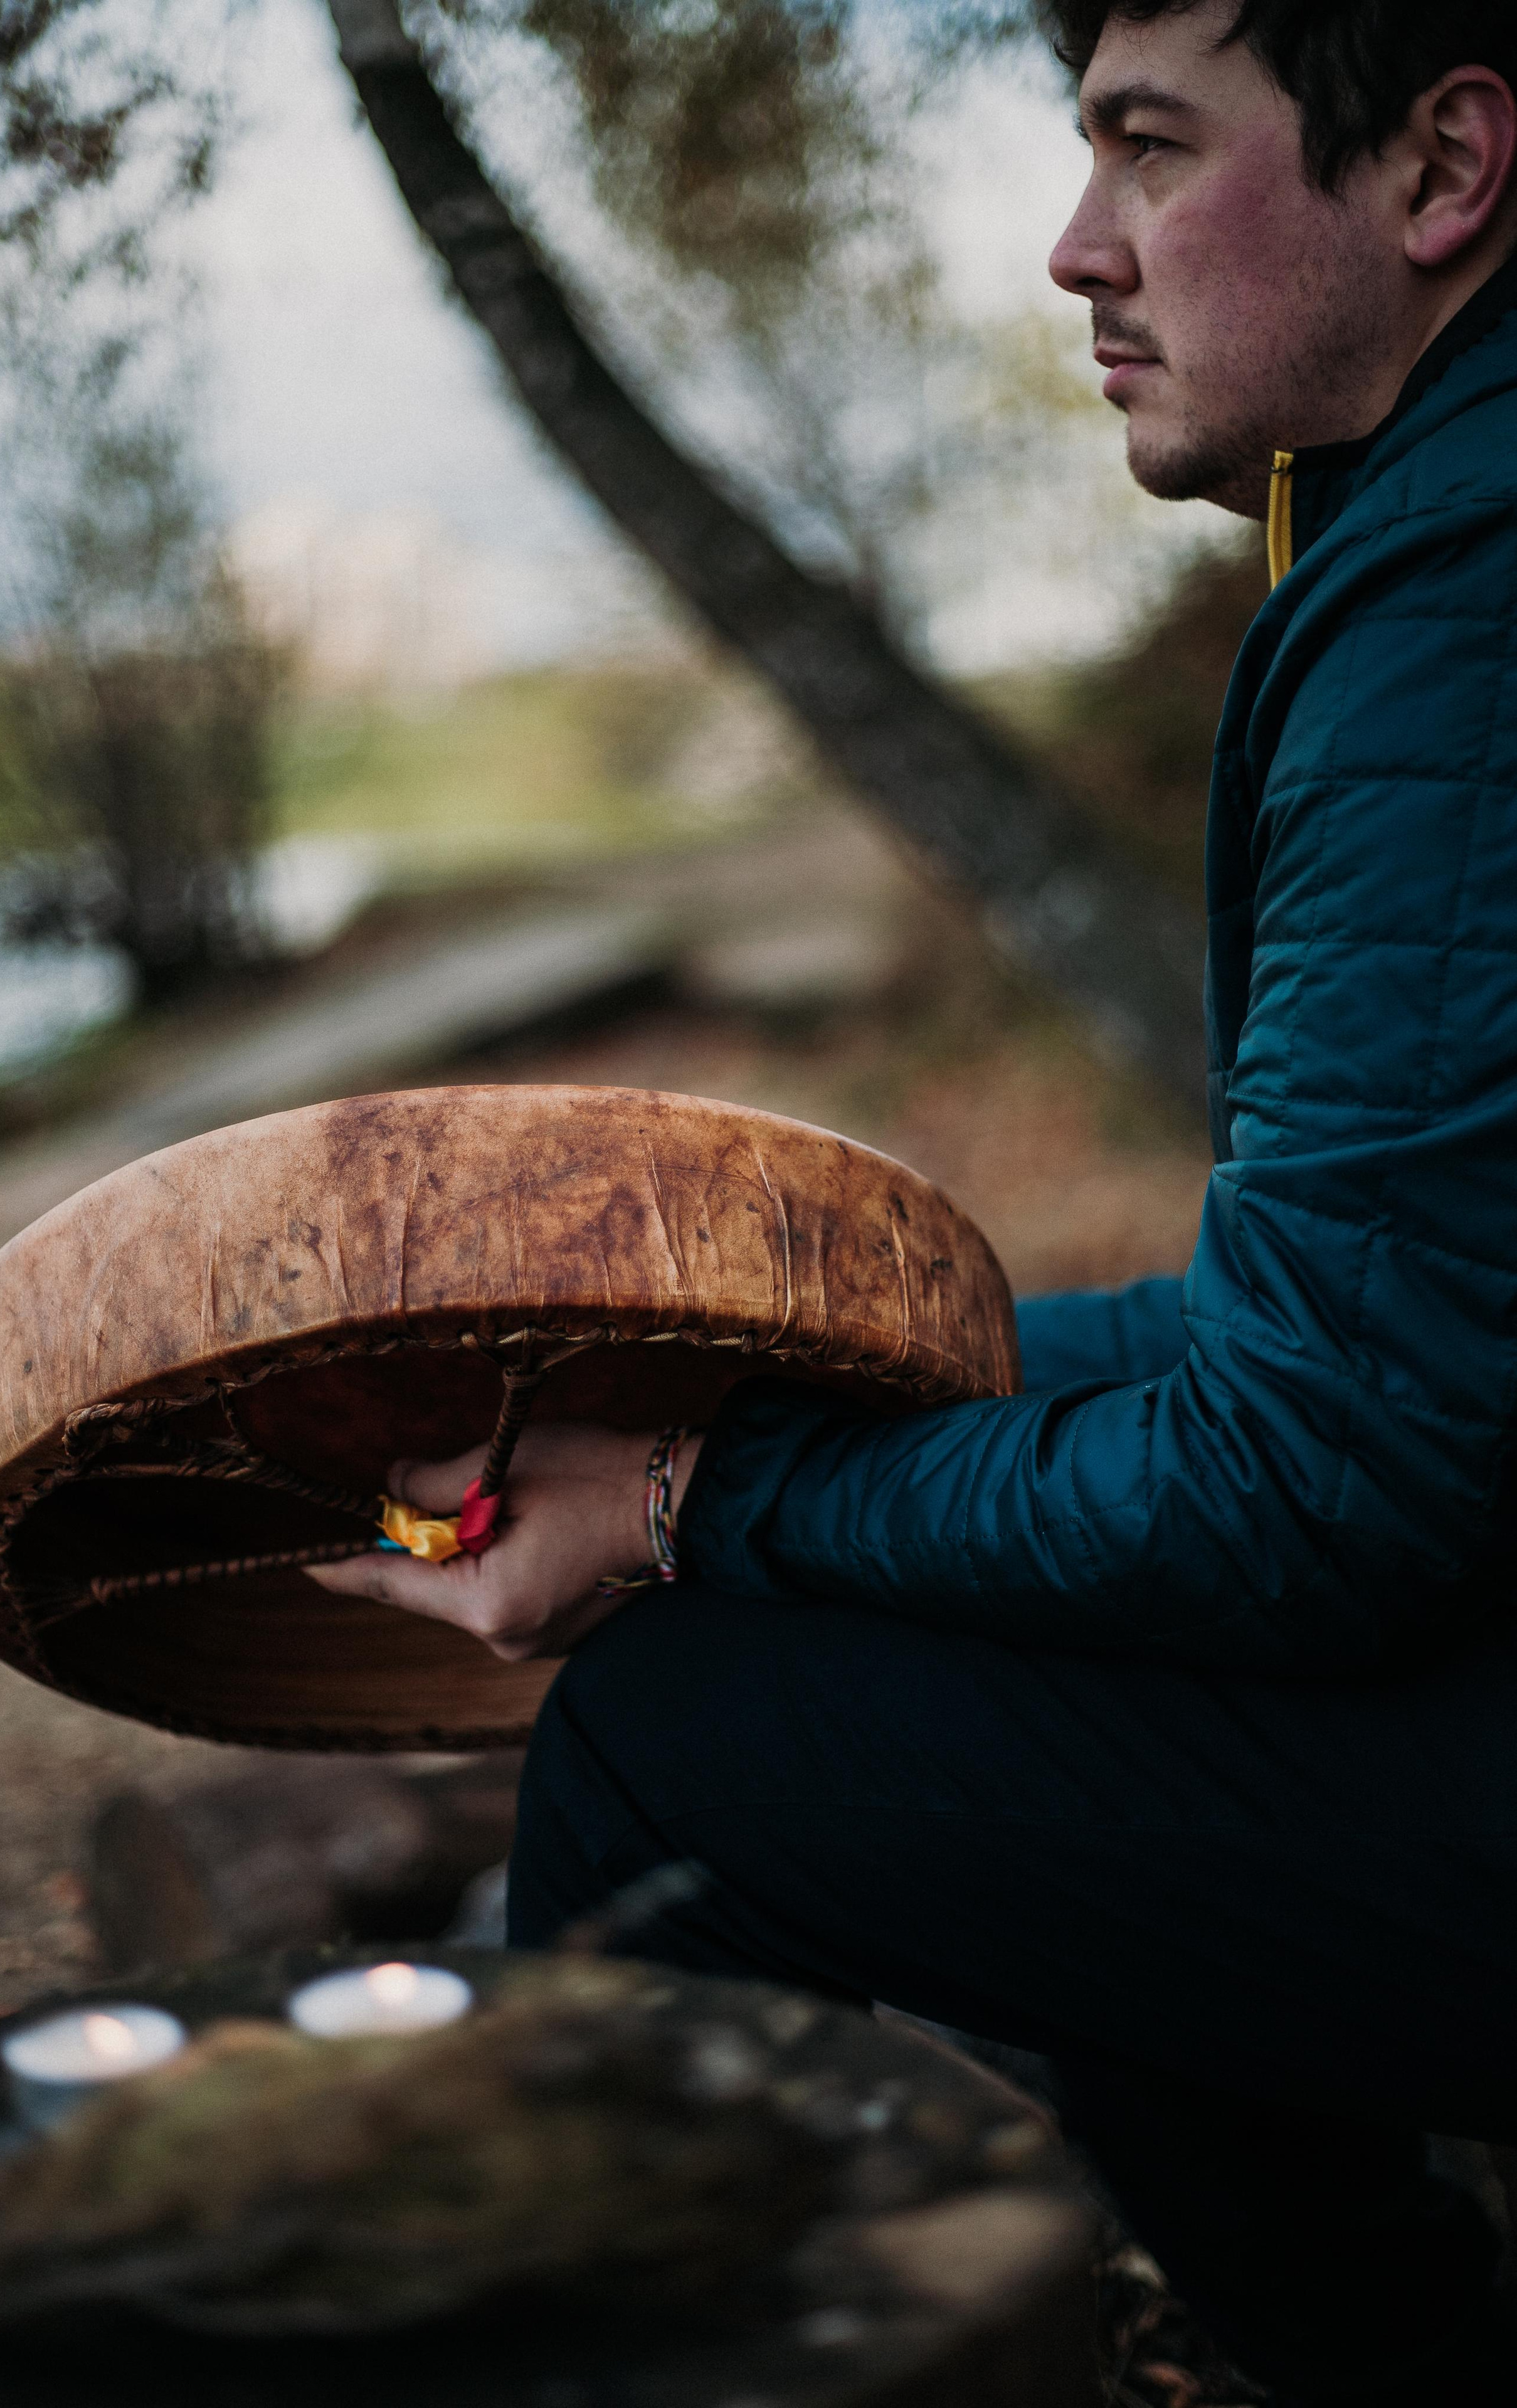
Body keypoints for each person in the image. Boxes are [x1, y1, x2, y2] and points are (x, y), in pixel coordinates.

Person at [309, 6, 1517, 2398]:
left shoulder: (1464, 620)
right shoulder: (1438, 535)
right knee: (1049, 1607)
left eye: (1155, 150)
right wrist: (750, 1400)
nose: (1081, 251)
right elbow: (1371, 1351)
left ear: (1444, 167)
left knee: (683, 1731)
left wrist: (680, 1507)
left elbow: (1314, 1495)